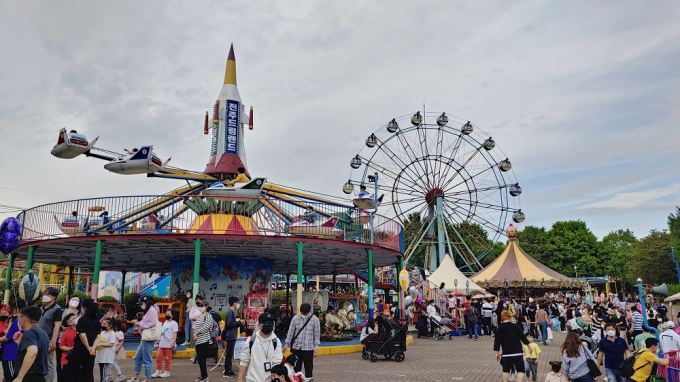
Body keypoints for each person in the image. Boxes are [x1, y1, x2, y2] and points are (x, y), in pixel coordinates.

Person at [238, 312, 283, 382]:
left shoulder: (276, 342)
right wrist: (240, 378)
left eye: (271, 323)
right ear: (259, 325)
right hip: (252, 379)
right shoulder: (251, 341)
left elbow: (276, 363)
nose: (269, 325)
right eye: (266, 323)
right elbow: (244, 360)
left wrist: (272, 379)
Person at [66, 298, 100, 382]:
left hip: (80, 349)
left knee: (75, 373)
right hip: (91, 351)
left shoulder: (82, 320)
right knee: (88, 372)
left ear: (84, 308)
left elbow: (82, 335)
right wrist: (92, 348)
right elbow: (98, 336)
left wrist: (88, 347)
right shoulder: (97, 321)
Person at [283, 303, 320, 379]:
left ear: (309, 311)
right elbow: (291, 332)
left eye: (306, 313)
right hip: (297, 348)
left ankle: (308, 380)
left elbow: (316, 334)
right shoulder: (295, 318)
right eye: (303, 313)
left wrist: (316, 347)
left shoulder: (315, 320)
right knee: (296, 369)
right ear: (300, 311)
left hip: (308, 348)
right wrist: (286, 344)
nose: (304, 314)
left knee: (309, 369)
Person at [13, 306, 49, 382]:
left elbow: (33, 352)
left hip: (29, 376)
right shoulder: (43, 332)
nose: (18, 320)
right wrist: (20, 342)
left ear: (24, 319)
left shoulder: (29, 333)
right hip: (39, 376)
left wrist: (20, 376)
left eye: (20, 317)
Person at [494, 311, 530, 382]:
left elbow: (497, 342)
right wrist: (529, 346)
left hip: (506, 354)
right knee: (520, 370)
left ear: (501, 318)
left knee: (505, 370)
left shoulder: (499, 329)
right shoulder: (515, 326)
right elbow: (522, 337)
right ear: (510, 317)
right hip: (517, 353)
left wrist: (497, 353)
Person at [129, 295, 158, 382]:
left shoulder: (152, 310)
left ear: (145, 302)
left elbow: (152, 323)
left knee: (147, 359)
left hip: (148, 338)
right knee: (138, 357)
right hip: (144, 337)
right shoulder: (149, 310)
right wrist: (138, 323)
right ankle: (136, 377)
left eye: (141, 303)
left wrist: (139, 324)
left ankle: (147, 378)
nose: (141, 305)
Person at [38, 287, 62, 382]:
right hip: (38, 338)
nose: (46, 296)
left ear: (54, 297)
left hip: (48, 339)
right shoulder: (41, 308)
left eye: (48, 295)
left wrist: (53, 341)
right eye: (45, 294)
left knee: (48, 364)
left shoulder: (57, 309)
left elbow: (57, 326)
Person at [2, 299, 27, 381]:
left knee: (12, 378)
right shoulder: (23, 320)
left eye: (12, 309)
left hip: (11, 354)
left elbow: (7, 337)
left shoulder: (18, 321)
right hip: (15, 353)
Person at [192, 299, 214, 382]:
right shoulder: (200, 316)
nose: (200, 307)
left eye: (201, 306)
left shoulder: (208, 315)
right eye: (199, 306)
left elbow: (207, 325)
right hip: (198, 341)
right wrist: (195, 335)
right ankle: (202, 376)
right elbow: (196, 327)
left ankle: (205, 377)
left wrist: (197, 333)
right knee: (200, 359)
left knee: (202, 359)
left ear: (206, 306)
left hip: (205, 340)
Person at [151, 309, 177, 378]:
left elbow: (174, 333)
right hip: (162, 343)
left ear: (172, 315)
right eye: (166, 314)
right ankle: (158, 370)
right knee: (159, 357)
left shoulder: (174, 323)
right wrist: (158, 340)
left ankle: (167, 371)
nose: (167, 316)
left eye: (168, 314)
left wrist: (173, 342)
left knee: (167, 358)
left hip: (169, 344)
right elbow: (163, 331)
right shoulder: (165, 322)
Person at [221, 297, 242, 379]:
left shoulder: (231, 312)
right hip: (230, 336)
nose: (238, 304)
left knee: (230, 354)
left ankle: (229, 370)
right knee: (229, 355)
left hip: (231, 336)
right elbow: (230, 324)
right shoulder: (230, 312)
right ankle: (227, 371)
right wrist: (239, 322)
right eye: (237, 302)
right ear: (234, 303)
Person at [95, 318, 116, 382]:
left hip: (106, 356)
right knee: (102, 370)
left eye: (105, 324)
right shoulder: (102, 333)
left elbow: (111, 344)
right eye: (102, 324)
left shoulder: (112, 333)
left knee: (104, 371)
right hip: (101, 355)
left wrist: (101, 344)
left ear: (110, 325)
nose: (103, 325)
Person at [58, 313, 77, 382]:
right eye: (74, 318)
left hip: (78, 360)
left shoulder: (81, 331)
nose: (76, 319)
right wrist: (71, 349)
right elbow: (61, 346)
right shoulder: (66, 333)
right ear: (69, 323)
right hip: (67, 360)